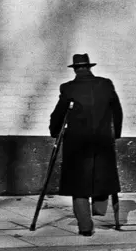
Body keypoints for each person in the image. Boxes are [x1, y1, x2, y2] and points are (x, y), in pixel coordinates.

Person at [49, 53, 123, 236]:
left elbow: (58, 113)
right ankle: (99, 208)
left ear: (75, 69)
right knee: (102, 176)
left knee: (78, 185)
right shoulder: (106, 84)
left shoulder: (68, 88)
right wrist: (116, 134)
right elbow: (117, 111)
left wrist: (54, 131)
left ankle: (85, 226)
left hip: (77, 143)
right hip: (103, 141)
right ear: (90, 67)